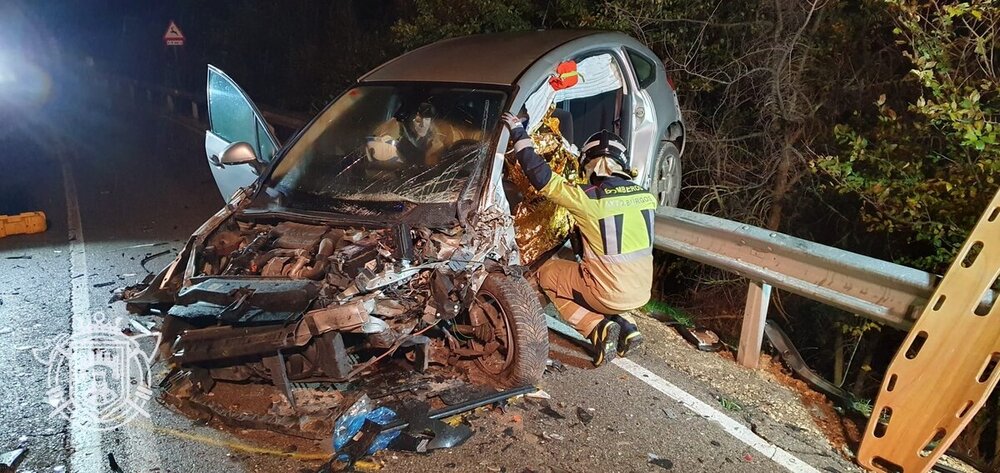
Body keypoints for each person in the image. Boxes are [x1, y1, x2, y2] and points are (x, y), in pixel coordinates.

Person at [503, 112, 657, 366]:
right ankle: (627, 325)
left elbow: (540, 176)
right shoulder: (647, 197)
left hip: (609, 293)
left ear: (590, 163)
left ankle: (595, 327)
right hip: (641, 292)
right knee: (600, 275)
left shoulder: (589, 199)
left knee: (548, 276)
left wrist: (518, 132)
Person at [367, 102, 457, 167]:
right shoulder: (394, 130)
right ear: (409, 120)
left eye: (426, 120)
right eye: (418, 121)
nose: (423, 125)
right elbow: (377, 147)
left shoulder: (443, 136)